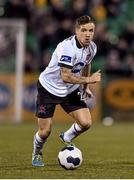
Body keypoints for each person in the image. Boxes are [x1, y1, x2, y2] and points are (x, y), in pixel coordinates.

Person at [32, 15, 101, 167]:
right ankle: (37, 153)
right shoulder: (67, 48)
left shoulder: (92, 47)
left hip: (70, 90)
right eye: (84, 30)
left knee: (86, 123)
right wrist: (89, 80)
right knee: (45, 131)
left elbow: (86, 65)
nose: (88, 34)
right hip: (48, 89)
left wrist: (85, 87)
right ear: (77, 31)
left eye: (91, 30)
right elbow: (66, 76)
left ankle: (67, 136)